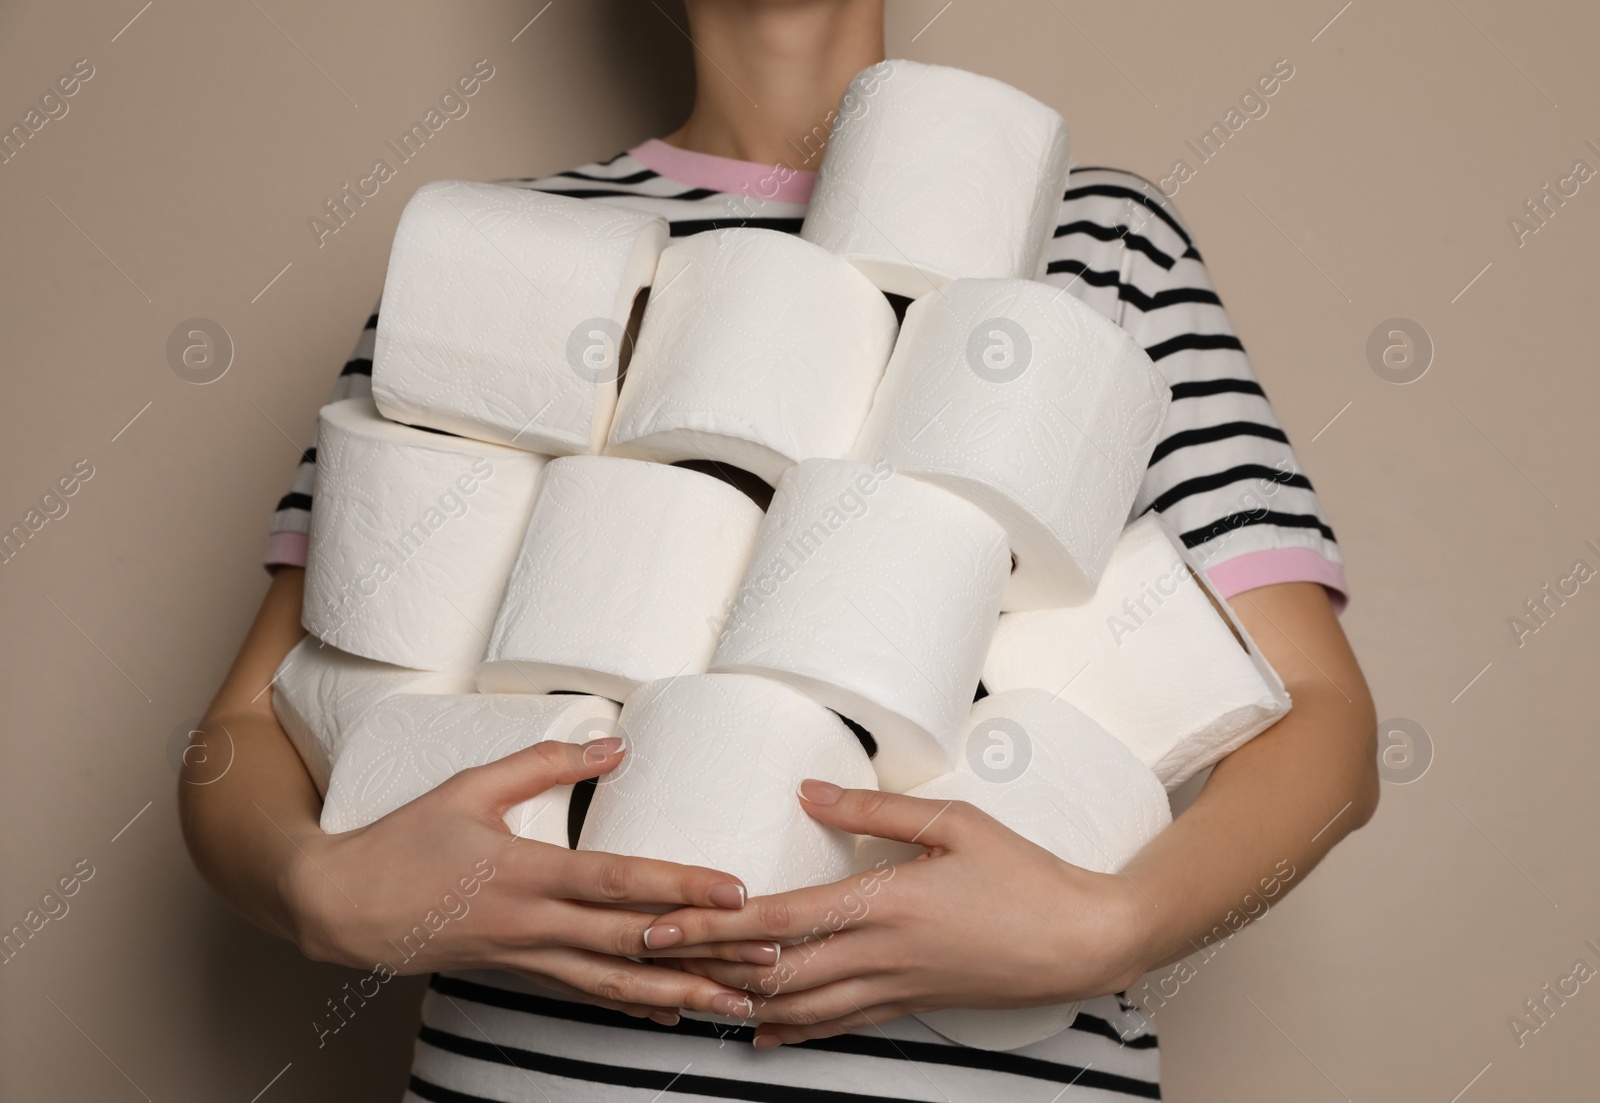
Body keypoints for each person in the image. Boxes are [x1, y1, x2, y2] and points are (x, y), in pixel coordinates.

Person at [181, 1, 1379, 1098]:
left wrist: (1109, 926)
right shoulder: (489, 260)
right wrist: (312, 887)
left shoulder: (1099, 239)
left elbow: (1320, 717)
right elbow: (250, 729)